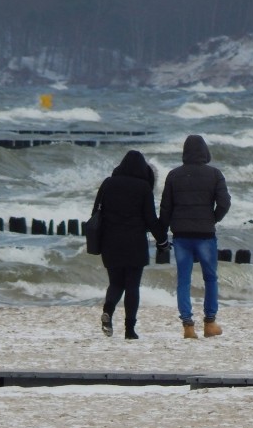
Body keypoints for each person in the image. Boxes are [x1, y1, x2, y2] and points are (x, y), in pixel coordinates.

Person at [159, 134, 231, 339]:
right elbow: (224, 202)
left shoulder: (174, 175)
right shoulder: (215, 174)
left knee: (183, 280)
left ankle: (188, 326)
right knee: (210, 278)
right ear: (205, 152)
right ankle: (210, 323)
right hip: (206, 234)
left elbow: (166, 208)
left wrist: (162, 233)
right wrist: (213, 219)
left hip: (181, 235)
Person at [93, 150, 168, 339]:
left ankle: (108, 311)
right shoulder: (143, 187)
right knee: (132, 286)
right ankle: (129, 330)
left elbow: (95, 212)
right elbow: (151, 219)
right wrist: (162, 240)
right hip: (135, 243)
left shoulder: (108, 184)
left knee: (116, 283)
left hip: (110, 242)